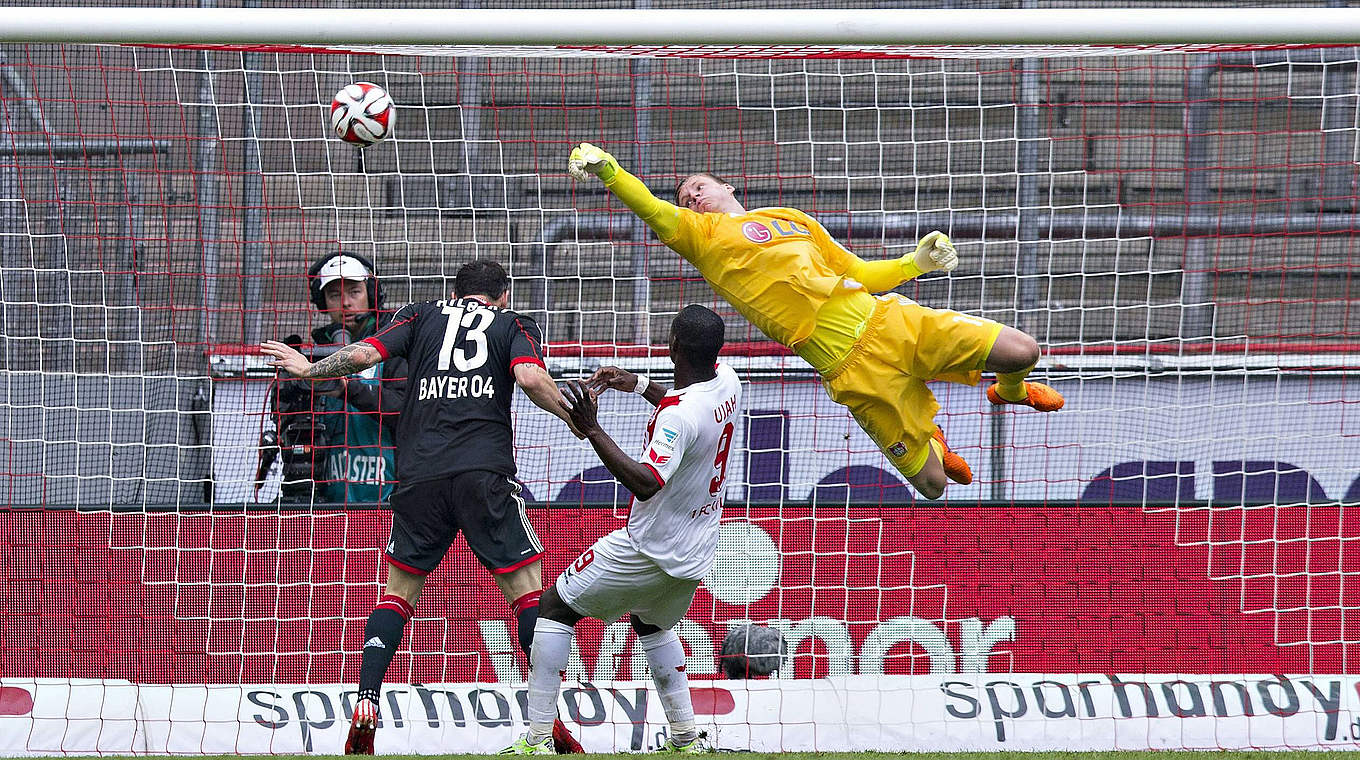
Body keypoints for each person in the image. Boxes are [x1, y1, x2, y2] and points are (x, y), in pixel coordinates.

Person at [565, 143, 1065, 500]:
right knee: (933, 487)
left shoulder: (791, 218)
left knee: (1023, 352)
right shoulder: (702, 237)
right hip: (850, 369)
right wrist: (609, 170)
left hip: (890, 321)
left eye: (698, 186)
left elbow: (859, 272)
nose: (691, 196)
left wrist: (917, 264)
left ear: (727, 186)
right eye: (685, 196)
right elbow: (650, 208)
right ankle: (931, 436)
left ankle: (1011, 390)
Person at [260, 259, 584, 755]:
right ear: (503, 293)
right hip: (483, 475)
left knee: (397, 595)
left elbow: (363, 354)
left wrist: (308, 368)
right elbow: (530, 379)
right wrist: (575, 417)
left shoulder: (419, 314)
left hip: (419, 476)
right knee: (527, 594)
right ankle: (549, 720)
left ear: (455, 292)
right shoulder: (513, 323)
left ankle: (367, 702)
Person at [501, 304, 741, 755]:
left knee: (554, 607)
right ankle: (687, 738)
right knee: (650, 622)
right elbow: (685, 406)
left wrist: (592, 429)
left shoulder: (677, 417)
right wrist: (636, 384)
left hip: (648, 547)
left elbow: (646, 482)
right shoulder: (727, 380)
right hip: (696, 550)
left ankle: (534, 741)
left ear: (671, 347)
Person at [259, 252, 405, 504]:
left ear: (372, 294)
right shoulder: (311, 356)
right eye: (335, 295)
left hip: (390, 496)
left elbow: (405, 412)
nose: (345, 303)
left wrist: (345, 389)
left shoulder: (396, 347)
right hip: (328, 496)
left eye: (354, 292)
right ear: (323, 301)